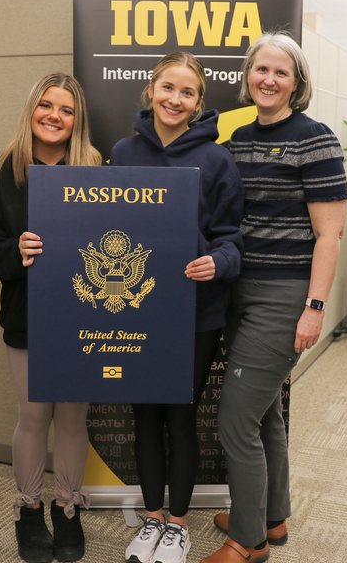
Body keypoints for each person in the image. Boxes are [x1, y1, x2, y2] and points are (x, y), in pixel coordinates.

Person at [203, 32, 347, 563]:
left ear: (297, 83)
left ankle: (248, 542)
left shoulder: (315, 139)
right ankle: (271, 516)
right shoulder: (236, 140)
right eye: (260, 69)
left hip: (284, 297)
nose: (268, 79)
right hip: (237, 293)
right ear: (247, 77)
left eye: (280, 72)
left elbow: (330, 235)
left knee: (235, 420)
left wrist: (314, 308)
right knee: (266, 417)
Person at [110, 51, 244, 563]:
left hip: (196, 313)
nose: (175, 98)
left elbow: (233, 240)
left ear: (198, 103)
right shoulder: (122, 153)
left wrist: (217, 262)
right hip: (135, 310)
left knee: (181, 417)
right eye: (168, 87)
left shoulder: (218, 159)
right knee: (144, 415)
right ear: (151, 90)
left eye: (187, 92)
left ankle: (179, 526)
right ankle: (151, 521)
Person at [0, 73, 102, 563]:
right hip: (28, 314)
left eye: (66, 110)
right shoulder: (5, 170)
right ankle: (28, 508)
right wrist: (14, 250)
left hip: (84, 316)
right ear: (32, 110)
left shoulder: (94, 168)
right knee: (33, 416)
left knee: (72, 417)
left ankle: (68, 508)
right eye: (46, 106)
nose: (55, 116)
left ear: (77, 120)